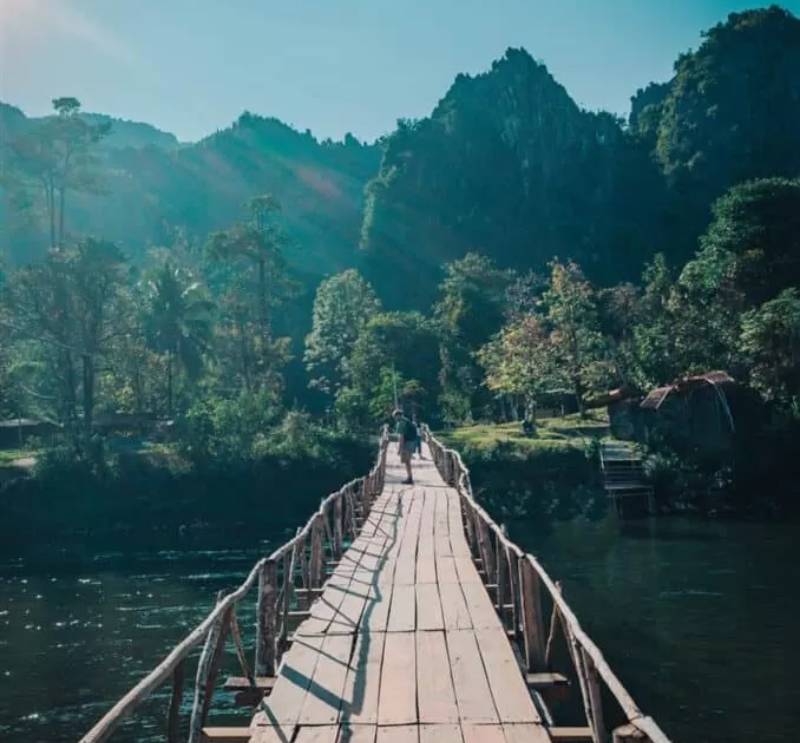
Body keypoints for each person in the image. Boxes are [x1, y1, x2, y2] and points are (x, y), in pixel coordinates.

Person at [393, 408, 418, 484]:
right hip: (412, 442)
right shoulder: (406, 420)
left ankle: (409, 478)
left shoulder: (401, 422)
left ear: (398, 415)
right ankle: (409, 477)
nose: (395, 419)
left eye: (395, 417)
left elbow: (401, 437)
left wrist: (399, 449)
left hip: (408, 443)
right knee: (408, 461)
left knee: (407, 461)